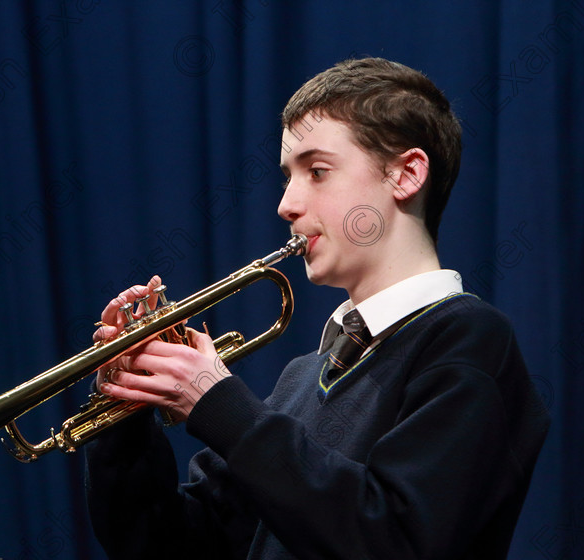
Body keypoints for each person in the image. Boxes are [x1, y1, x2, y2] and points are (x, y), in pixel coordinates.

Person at [83, 57, 550, 559]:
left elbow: (396, 540)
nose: (287, 203)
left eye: (317, 171)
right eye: (288, 176)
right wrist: (125, 408)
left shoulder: (469, 341)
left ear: (407, 174)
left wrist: (219, 405)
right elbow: (166, 546)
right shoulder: (301, 379)